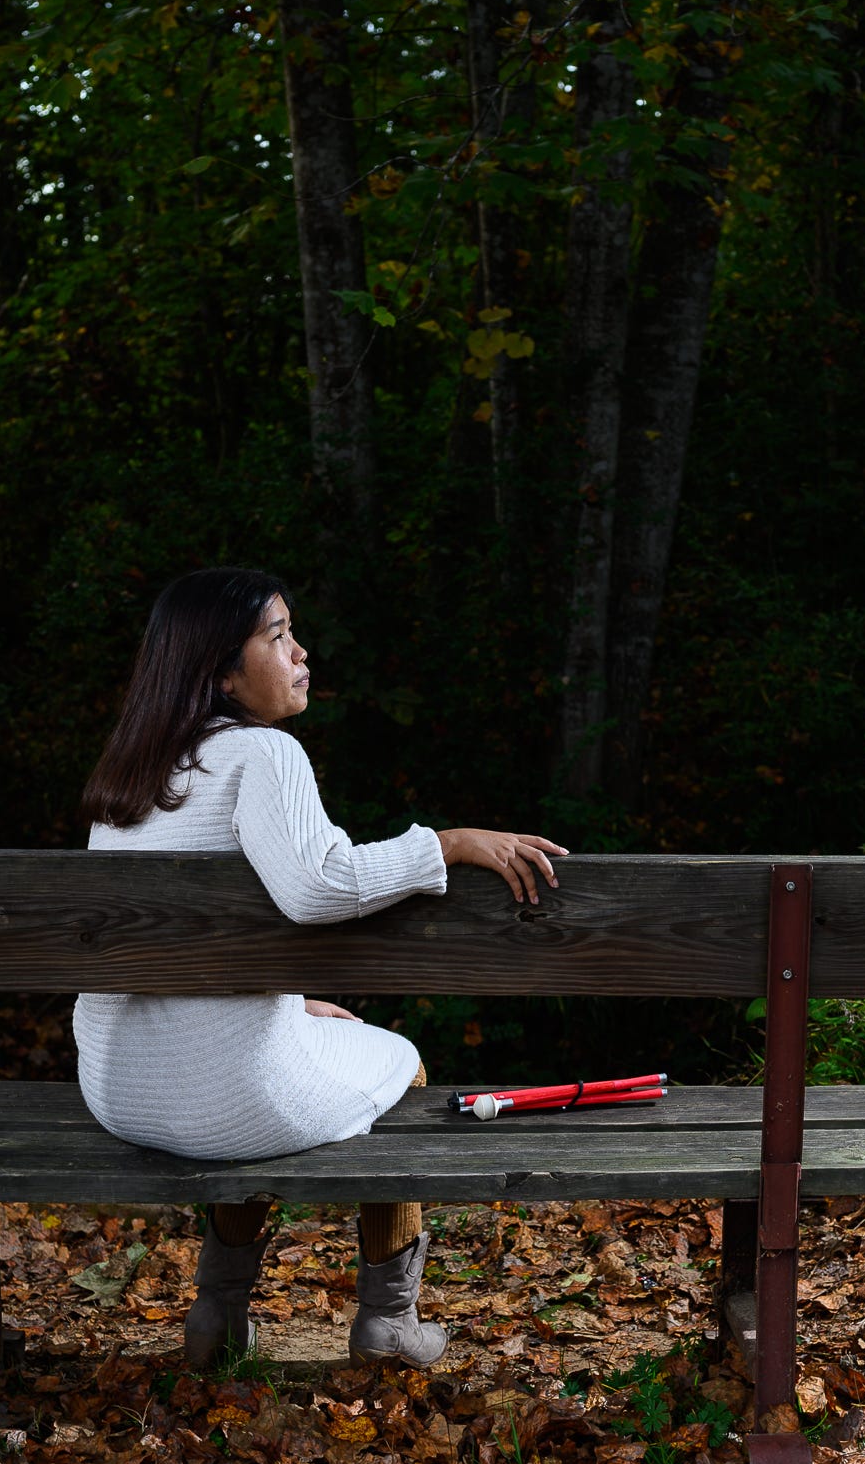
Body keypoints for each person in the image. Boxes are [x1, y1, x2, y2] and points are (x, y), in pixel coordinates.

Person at [72, 567, 567, 1368]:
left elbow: (182, 945)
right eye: (277, 637)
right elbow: (316, 885)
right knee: (400, 1063)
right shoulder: (264, 753)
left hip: (119, 1087)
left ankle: (219, 1314)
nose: (302, 653)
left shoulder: (132, 774)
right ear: (221, 672)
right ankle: (389, 1321)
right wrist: (444, 843)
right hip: (226, 1098)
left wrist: (290, 1002)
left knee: (299, 1045)